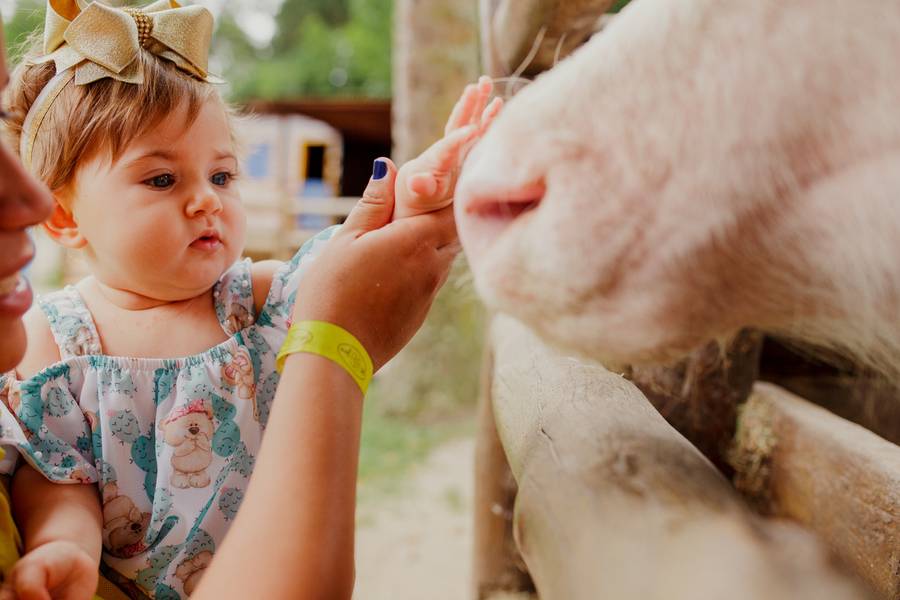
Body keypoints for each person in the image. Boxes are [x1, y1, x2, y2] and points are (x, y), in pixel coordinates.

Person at [0, 1, 495, 598]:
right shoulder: (59, 339)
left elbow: (355, 261)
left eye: (222, 175)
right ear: (63, 215)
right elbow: (59, 477)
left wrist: (417, 191)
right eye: (162, 179)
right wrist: (64, 546)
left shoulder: (254, 300)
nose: (206, 200)